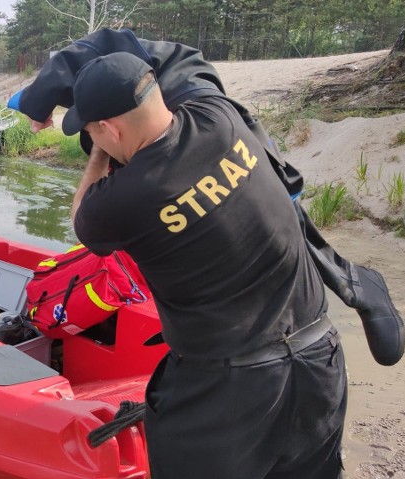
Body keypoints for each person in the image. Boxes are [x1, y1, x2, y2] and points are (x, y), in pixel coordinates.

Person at [11, 28, 404, 368]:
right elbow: (142, 61)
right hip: (231, 162)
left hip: (262, 179)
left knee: (277, 215)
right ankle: (348, 286)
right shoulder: (209, 110)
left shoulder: (190, 116)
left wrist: (40, 97)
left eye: (92, 133)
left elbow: (117, 47)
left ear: (108, 129)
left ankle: (355, 283)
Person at [64, 51, 347, 478]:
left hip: (228, 394)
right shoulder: (219, 115)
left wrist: (99, 156)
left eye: (91, 132)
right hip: (319, 361)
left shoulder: (121, 201)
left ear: (108, 128)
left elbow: (82, 214)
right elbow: (185, 68)